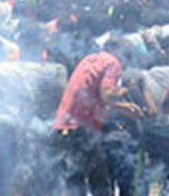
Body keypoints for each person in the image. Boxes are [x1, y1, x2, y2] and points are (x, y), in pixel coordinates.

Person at [51, 38, 142, 196]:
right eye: (128, 55)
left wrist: (122, 107)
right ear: (119, 52)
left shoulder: (89, 60)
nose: (127, 62)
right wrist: (123, 92)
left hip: (63, 126)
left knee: (75, 180)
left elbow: (92, 95)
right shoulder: (112, 63)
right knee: (100, 181)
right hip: (83, 128)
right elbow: (106, 94)